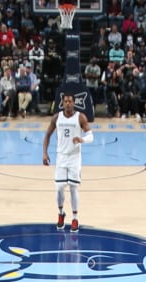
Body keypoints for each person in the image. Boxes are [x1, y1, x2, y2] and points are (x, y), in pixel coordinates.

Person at [42, 93, 92, 231]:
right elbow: (47, 135)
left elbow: (91, 135)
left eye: (70, 101)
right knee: (59, 188)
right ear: (62, 103)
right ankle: (60, 213)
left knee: (73, 187)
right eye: (66, 101)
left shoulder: (80, 117)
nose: (68, 104)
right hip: (61, 157)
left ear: (74, 103)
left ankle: (75, 218)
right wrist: (45, 153)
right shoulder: (56, 117)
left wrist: (83, 139)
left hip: (75, 157)